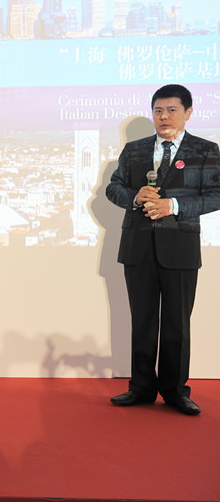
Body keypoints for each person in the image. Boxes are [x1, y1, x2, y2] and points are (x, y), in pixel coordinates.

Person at [106, 84, 220, 415]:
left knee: (177, 323)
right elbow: (114, 188)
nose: (164, 117)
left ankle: (175, 391)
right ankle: (141, 388)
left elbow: (216, 194)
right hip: (138, 247)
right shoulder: (135, 149)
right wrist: (134, 197)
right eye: (158, 111)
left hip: (180, 248)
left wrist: (174, 206)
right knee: (142, 321)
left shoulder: (205, 150)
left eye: (171, 110)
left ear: (188, 113)